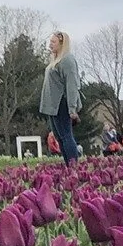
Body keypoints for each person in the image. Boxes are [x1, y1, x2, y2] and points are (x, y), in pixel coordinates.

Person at [39, 30, 82, 165]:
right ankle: (68, 164)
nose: (50, 45)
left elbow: (72, 84)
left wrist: (72, 108)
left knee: (66, 135)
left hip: (61, 103)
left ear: (62, 44)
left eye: (53, 42)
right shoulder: (55, 60)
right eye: (50, 41)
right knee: (59, 136)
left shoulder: (67, 60)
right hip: (52, 105)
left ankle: (73, 166)